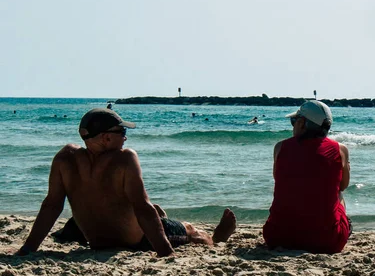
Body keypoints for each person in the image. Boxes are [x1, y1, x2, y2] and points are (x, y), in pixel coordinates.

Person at [16, 108, 236, 257]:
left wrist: (28, 249)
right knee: (188, 229)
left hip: (98, 243)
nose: (126, 137)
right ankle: (215, 239)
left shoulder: (65, 158)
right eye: (122, 132)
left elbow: (51, 206)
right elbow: (142, 207)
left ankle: (163, 218)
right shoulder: (125, 158)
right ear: (106, 138)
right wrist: (165, 253)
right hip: (138, 241)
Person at [263, 100, 351, 254]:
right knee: (338, 193)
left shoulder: (280, 147)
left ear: (302, 123)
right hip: (327, 242)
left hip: (278, 238)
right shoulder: (340, 150)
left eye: (294, 121)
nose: (293, 125)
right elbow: (343, 185)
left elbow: (279, 179)